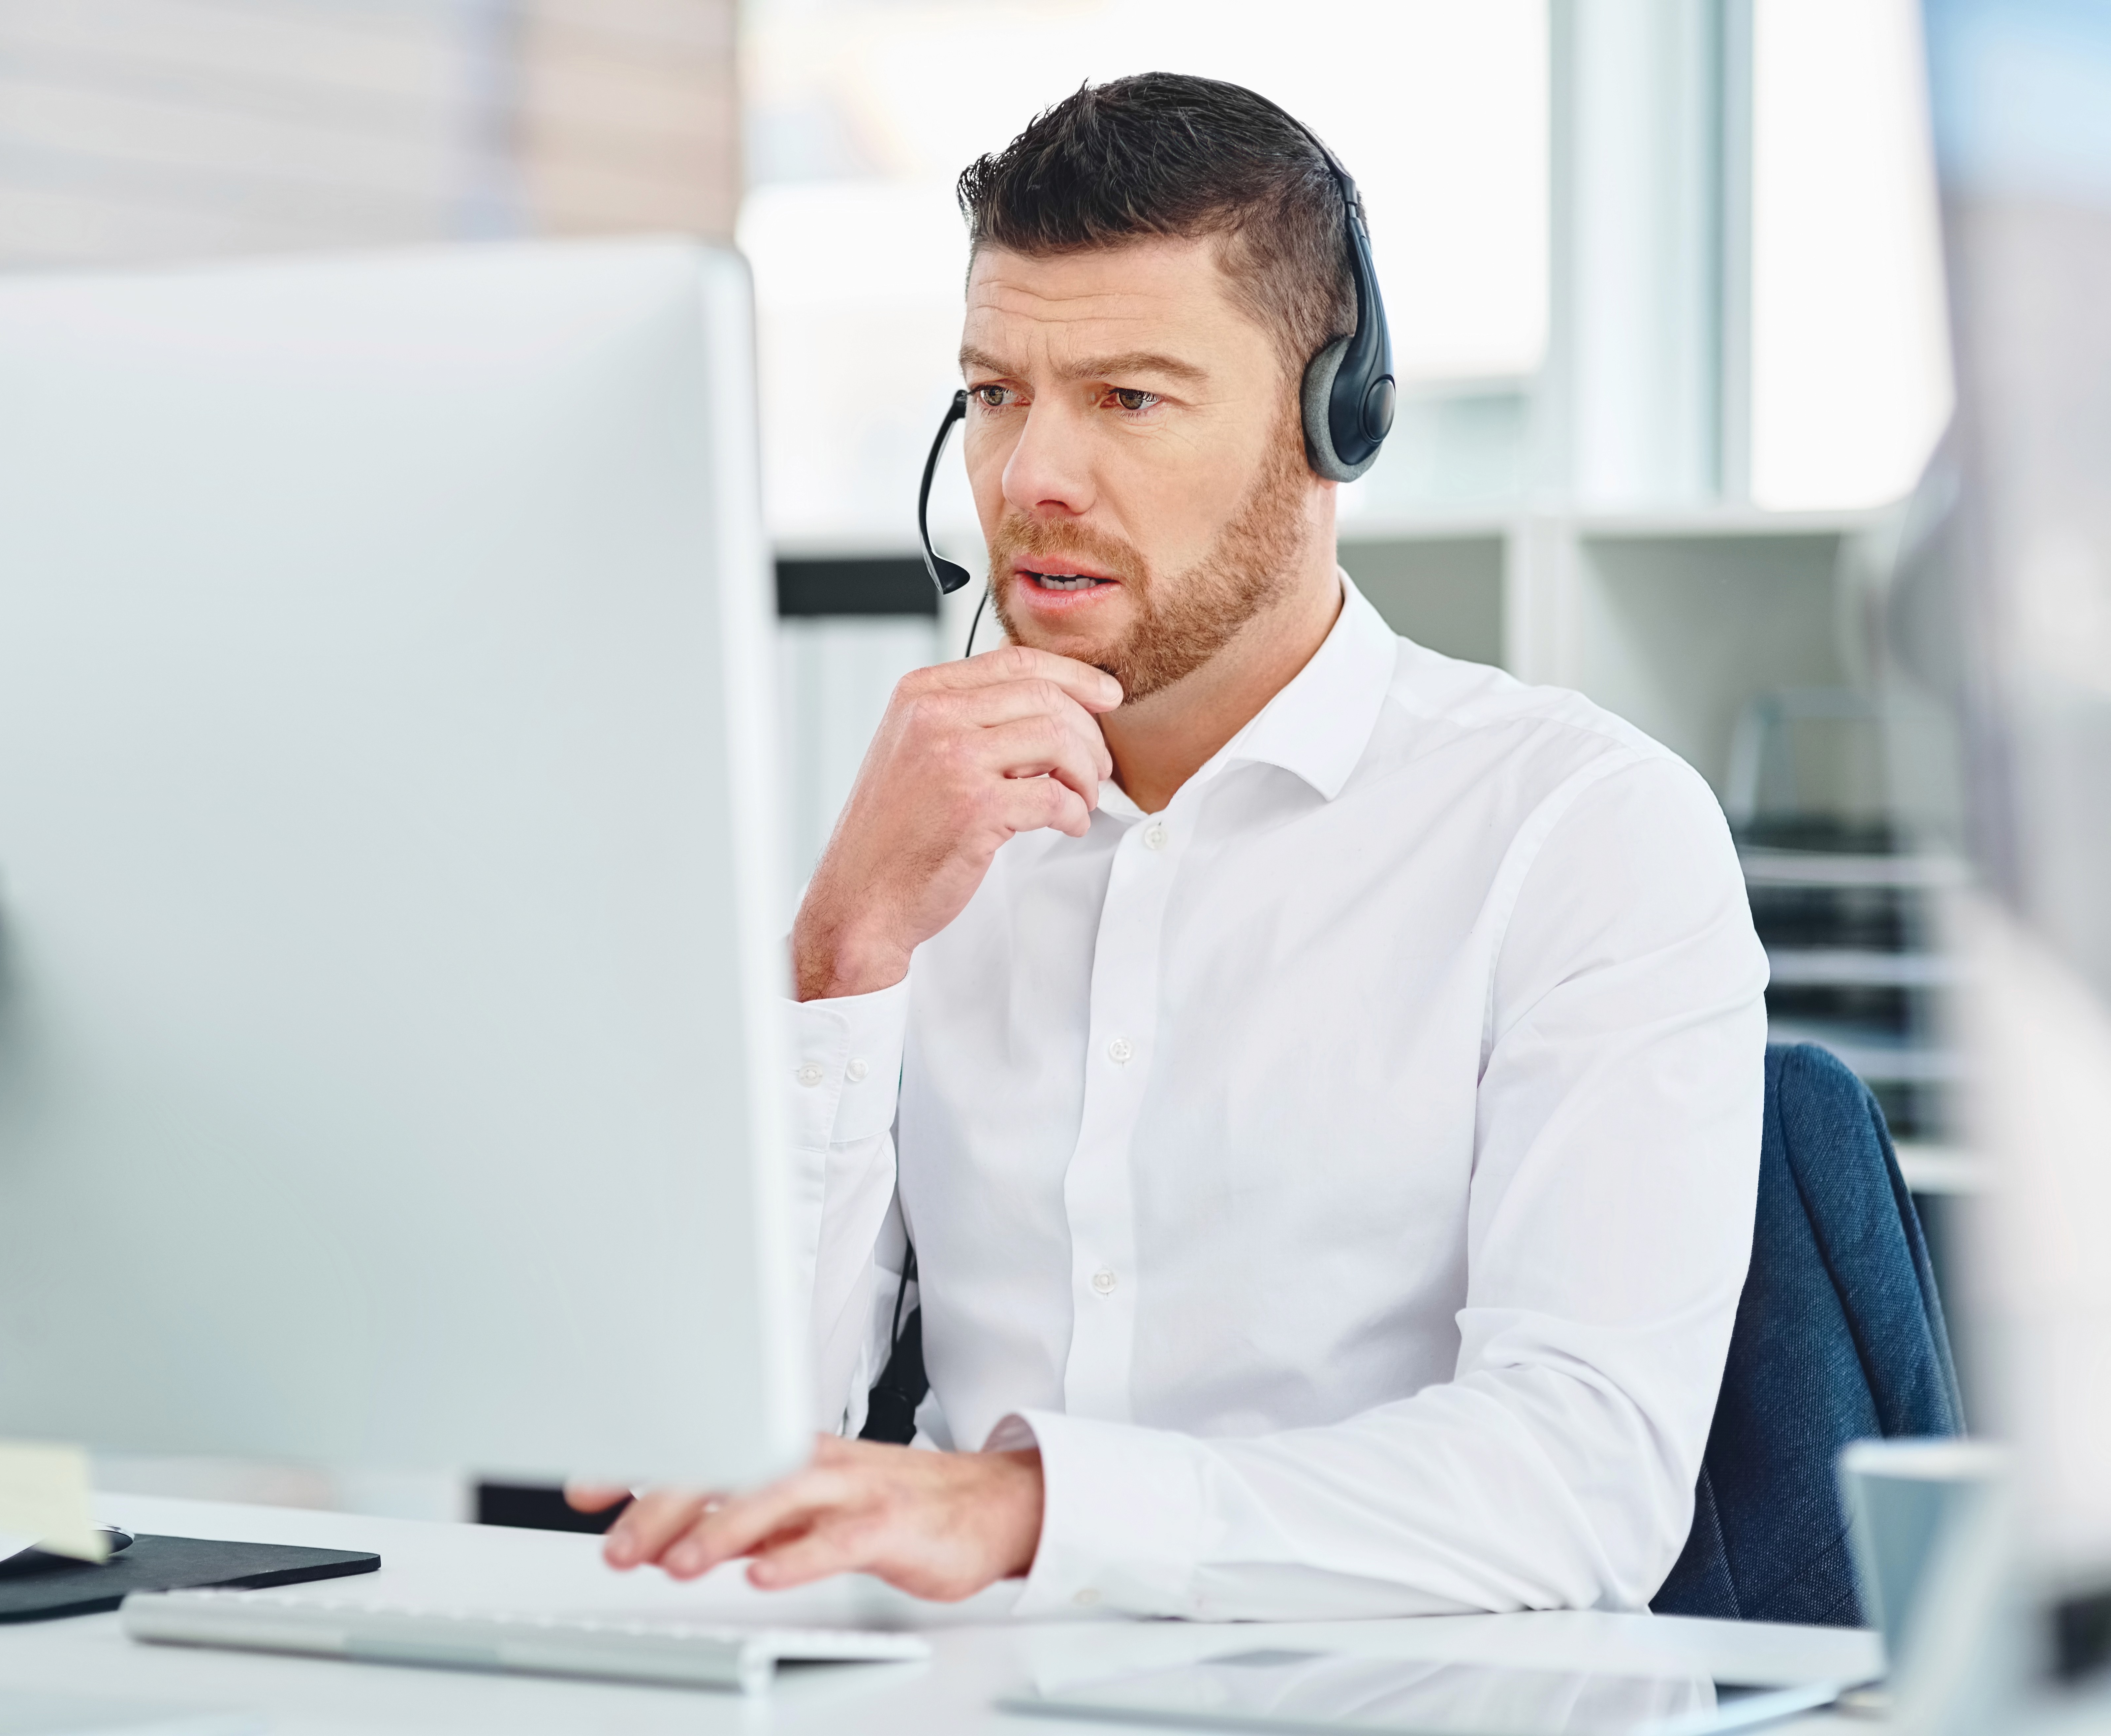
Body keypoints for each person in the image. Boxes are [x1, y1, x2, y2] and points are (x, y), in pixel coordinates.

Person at [575, 72, 1768, 1620]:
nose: (1030, 479)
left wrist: (1026, 1509)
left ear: (1339, 420)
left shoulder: (1581, 832)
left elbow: (1583, 1482)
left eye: (1129, 398)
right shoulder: (921, 832)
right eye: (996, 393)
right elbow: (710, 1448)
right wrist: (845, 949)